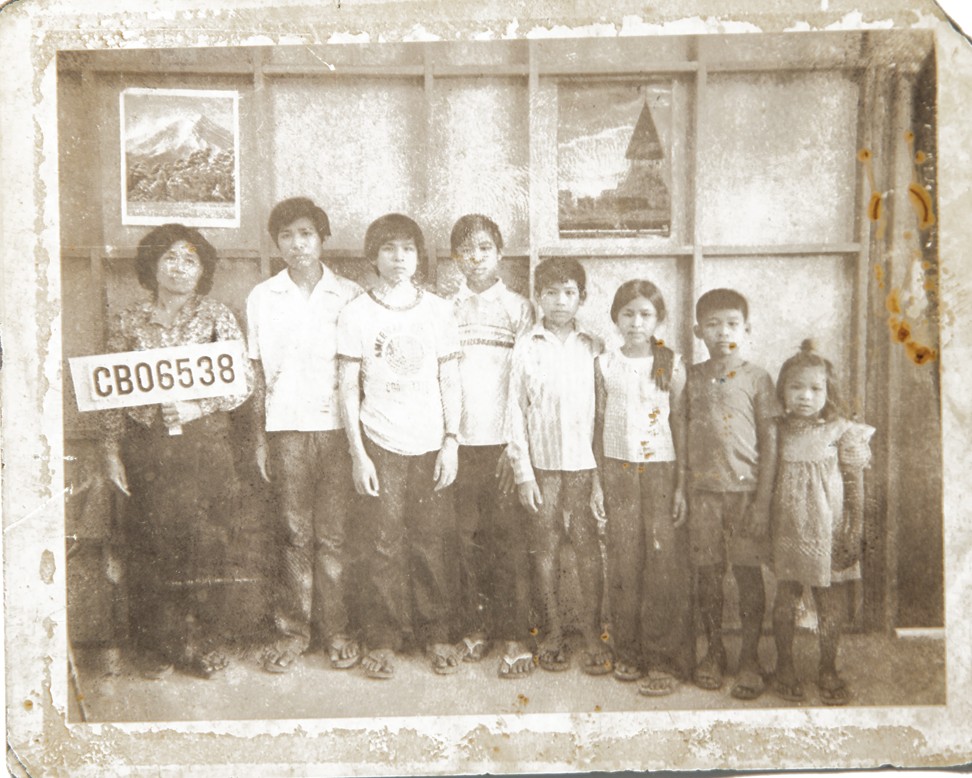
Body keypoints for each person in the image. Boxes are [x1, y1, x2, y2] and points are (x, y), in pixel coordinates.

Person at [103, 223, 252, 680]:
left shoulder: (216, 316)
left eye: (190, 260)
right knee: (151, 546)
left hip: (205, 444)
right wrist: (110, 449)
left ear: (202, 269)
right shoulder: (128, 319)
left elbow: (242, 383)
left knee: (207, 543)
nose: (180, 267)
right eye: (170, 257)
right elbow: (109, 392)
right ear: (153, 264)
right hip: (147, 448)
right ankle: (159, 646)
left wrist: (195, 406)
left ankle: (203, 643)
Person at [337, 213, 463, 679]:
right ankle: (383, 639)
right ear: (373, 256)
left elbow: (450, 379)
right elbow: (348, 388)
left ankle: (436, 634)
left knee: (431, 542)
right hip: (380, 442)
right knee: (383, 543)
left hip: (430, 443)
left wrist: (451, 441)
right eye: (388, 249)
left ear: (418, 257)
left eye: (407, 249)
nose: (398, 258)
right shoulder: (357, 313)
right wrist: (358, 453)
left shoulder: (438, 311)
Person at [246, 197, 363, 674]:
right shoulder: (262, 297)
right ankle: (294, 632)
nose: (298, 244)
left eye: (307, 234)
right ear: (277, 243)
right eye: (288, 235)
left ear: (322, 239)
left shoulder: (350, 294)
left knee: (333, 536)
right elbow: (255, 373)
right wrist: (258, 438)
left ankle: (337, 630)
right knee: (295, 534)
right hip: (286, 430)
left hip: (337, 430)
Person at [507, 257, 612, 675]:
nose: (559, 301)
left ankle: (592, 633)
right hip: (543, 467)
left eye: (569, 292)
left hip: (585, 468)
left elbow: (605, 417)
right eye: (550, 292)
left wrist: (600, 478)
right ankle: (551, 632)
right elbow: (514, 410)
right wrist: (523, 472)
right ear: (538, 297)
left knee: (588, 547)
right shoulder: (526, 345)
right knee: (545, 546)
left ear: (582, 298)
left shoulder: (595, 346)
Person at [592, 280, 693, 697]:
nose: (636, 322)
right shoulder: (604, 364)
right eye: (628, 313)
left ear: (659, 319)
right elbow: (597, 426)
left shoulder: (668, 360)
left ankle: (662, 659)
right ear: (616, 317)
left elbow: (679, 422)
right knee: (623, 561)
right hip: (617, 469)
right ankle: (628, 652)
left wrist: (681, 484)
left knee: (661, 563)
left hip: (660, 471)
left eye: (646, 314)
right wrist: (597, 482)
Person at [448, 214, 536, 678]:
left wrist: (513, 448)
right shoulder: (445, 308)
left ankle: (516, 636)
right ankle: (476, 629)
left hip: (503, 445)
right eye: (465, 248)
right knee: (465, 542)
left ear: (500, 253)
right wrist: (448, 440)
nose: (475, 256)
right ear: (454, 258)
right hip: (458, 447)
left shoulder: (519, 309)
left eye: (484, 247)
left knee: (509, 542)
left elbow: (522, 385)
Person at [770, 340, 874, 706]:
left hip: (830, 531)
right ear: (782, 389)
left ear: (828, 393)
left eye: (815, 389)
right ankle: (784, 664)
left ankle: (827, 667)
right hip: (788, 530)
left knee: (831, 604)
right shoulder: (777, 431)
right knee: (785, 598)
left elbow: (855, 483)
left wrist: (855, 528)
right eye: (796, 387)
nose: (804, 396)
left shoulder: (842, 431)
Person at [685, 288, 778, 700]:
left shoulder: (758, 378)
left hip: (745, 496)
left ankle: (750, 659)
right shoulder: (691, 376)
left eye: (732, 324)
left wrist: (762, 501)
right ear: (697, 330)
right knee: (707, 575)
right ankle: (714, 651)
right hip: (703, 493)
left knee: (747, 575)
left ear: (747, 329)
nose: (723, 332)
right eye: (713, 324)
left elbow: (771, 443)